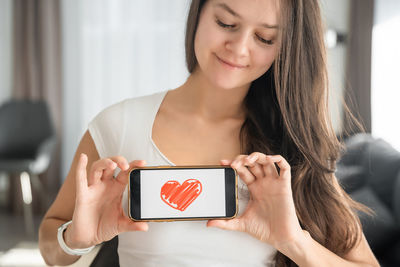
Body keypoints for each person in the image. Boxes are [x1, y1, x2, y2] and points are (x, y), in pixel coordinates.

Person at [39, 0, 380, 266]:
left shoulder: (291, 150)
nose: (239, 47)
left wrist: (292, 241)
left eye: (265, 37)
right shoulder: (118, 124)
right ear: (199, 12)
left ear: (284, 49)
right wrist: (77, 238)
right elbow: (51, 247)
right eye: (226, 23)